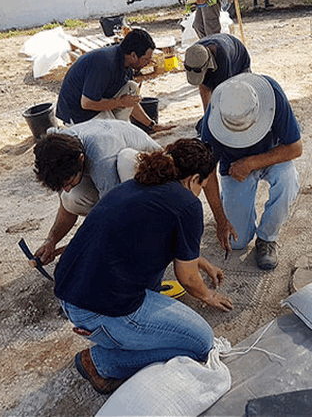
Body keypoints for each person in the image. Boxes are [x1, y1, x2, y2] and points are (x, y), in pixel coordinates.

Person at [54, 138, 233, 394]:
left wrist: (201, 261)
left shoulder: (137, 186)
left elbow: (166, 242)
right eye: (203, 185)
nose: (201, 190)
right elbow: (186, 277)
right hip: (99, 311)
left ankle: (128, 337)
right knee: (201, 342)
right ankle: (100, 362)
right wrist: (208, 295)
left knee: (170, 318)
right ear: (194, 179)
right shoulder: (187, 204)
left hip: (72, 294)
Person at [196, 73, 302, 271]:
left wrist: (251, 162)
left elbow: (296, 148)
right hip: (234, 165)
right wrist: (220, 219)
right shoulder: (215, 114)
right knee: (237, 242)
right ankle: (229, 204)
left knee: (288, 181)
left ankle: (267, 238)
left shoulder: (273, 95)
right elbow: (207, 172)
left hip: (272, 155)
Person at [32, 119, 161, 265]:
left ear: (81, 159)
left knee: (126, 161)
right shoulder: (59, 151)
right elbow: (66, 210)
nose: (66, 188)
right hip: (119, 184)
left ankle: (146, 231)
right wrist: (52, 240)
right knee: (70, 198)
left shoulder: (101, 156)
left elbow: (112, 211)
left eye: (68, 183)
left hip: (156, 180)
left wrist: (86, 244)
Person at [55, 28, 170, 132]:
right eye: (146, 59)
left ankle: (117, 126)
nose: (148, 63)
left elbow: (130, 102)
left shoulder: (125, 62)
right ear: (134, 55)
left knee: (131, 87)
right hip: (78, 114)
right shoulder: (105, 64)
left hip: (94, 105)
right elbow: (86, 103)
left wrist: (151, 125)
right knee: (117, 135)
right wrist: (120, 102)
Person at [184, 33, 251, 109]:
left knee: (241, 93)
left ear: (208, 65)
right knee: (206, 86)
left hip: (237, 56)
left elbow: (224, 91)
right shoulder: (193, 53)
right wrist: (207, 114)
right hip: (215, 51)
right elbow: (204, 89)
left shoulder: (223, 57)